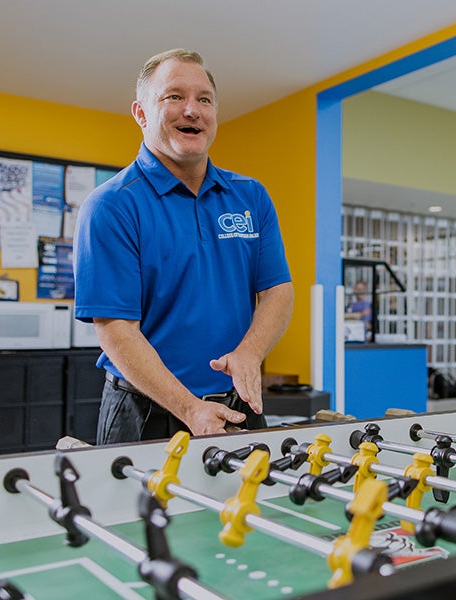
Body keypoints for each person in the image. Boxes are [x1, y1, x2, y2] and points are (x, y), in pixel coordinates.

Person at [73, 49, 294, 444]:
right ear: (141, 113)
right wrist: (190, 408)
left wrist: (249, 352)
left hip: (237, 406)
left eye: (204, 99)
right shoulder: (111, 205)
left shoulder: (251, 197)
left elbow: (277, 291)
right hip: (146, 413)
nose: (192, 110)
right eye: (174, 96)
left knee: (246, 507)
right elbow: (115, 328)